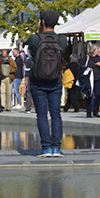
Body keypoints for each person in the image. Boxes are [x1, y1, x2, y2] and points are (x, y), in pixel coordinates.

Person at [24, 10, 69, 157]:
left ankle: (45, 148)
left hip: (38, 80)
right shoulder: (62, 40)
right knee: (56, 114)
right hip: (55, 80)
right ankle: (56, 148)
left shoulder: (34, 38)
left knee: (41, 115)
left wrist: (38, 31)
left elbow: (31, 51)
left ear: (42, 21)